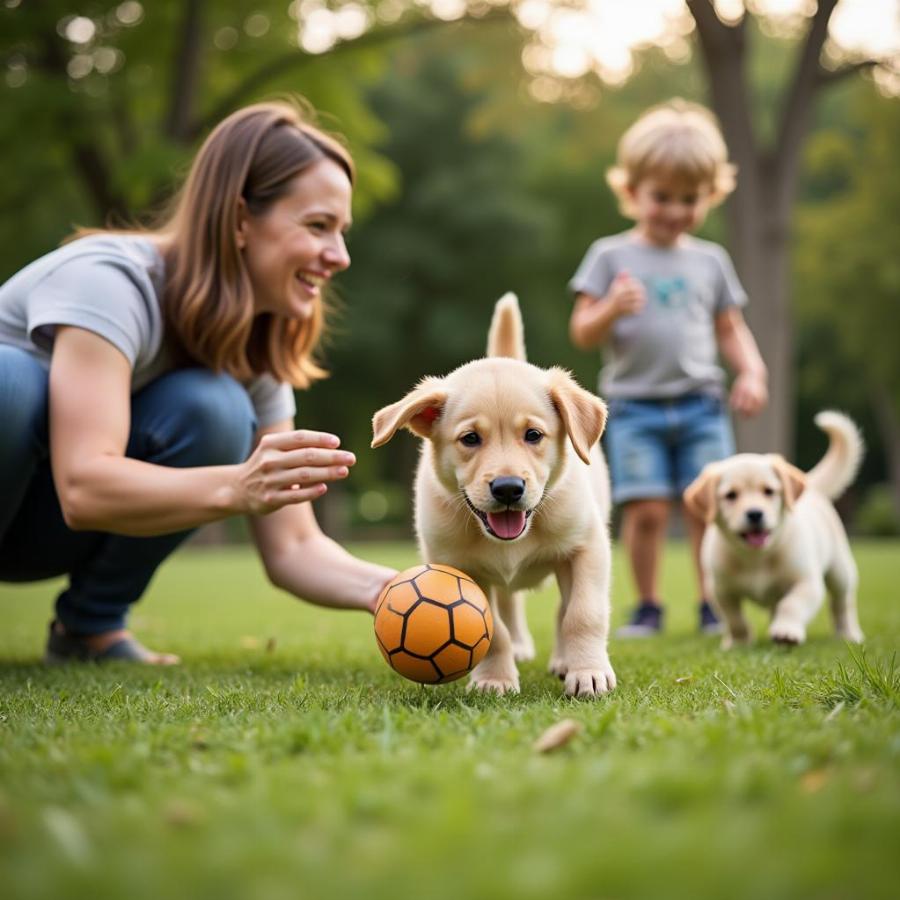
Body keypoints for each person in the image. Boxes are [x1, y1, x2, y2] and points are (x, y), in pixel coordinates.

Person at [0, 99, 396, 664]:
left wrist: (395, 589)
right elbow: (83, 487)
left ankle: (89, 629)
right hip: (39, 495)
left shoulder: (255, 342)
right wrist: (238, 485)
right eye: (317, 226)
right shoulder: (109, 283)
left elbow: (295, 544)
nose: (340, 256)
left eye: (342, 231)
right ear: (239, 221)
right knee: (10, 383)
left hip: (38, 531)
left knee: (215, 408)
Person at [568, 98, 768, 637]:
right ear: (631, 191)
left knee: (709, 508)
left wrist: (752, 372)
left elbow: (731, 328)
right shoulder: (609, 256)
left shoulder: (710, 261)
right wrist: (610, 307)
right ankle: (648, 607)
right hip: (634, 406)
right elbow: (582, 330)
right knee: (648, 510)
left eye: (690, 198)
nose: (676, 210)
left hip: (702, 402)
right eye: (662, 196)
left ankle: (713, 603)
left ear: (711, 195)